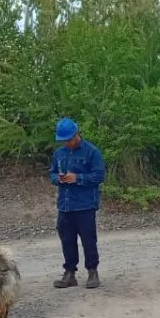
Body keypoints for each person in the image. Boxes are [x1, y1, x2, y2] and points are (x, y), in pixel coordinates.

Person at [49, 117, 106, 289]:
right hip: (65, 206)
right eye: (64, 140)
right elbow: (51, 173)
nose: (67, 143)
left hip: (85, 205)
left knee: (89, 239)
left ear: (77, 134)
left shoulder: (92, 152)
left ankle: (92, 271)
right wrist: (57, 179)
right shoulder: (59, 154)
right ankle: (69, 273)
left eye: (69, 139)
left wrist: (78, 178)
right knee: (67, 239)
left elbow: (99, 176)